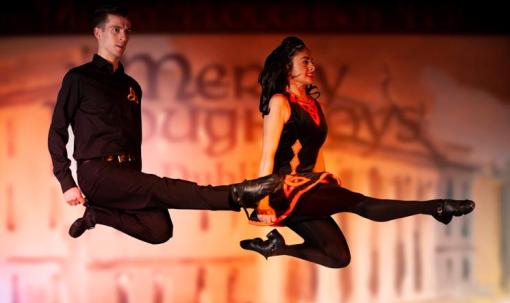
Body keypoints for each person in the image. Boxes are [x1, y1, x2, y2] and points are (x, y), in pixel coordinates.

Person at [47, 4, 281, 243]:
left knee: (159, 230)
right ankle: (237, 195)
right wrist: (67, 182)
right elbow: (57, 131)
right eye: (115, 29)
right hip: (97, 173)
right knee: (160, 188)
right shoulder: (79, 79)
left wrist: (134, 178)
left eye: (127, 30)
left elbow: (132, 137)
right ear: (98, 33)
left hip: (126, 174)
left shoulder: (131, 86)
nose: (123, 36)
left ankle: (97, 215)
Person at [239, 36, 475, 268]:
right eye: (305, 61)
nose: (313, 66)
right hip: (283, 190)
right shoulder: (280, 101)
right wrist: (263, 203)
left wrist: (323, 184)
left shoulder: (314, 105)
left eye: (312, 61)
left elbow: (314, 151)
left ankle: (277, 248)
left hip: (307, 189)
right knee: (362, 204)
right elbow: (267, 154)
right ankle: (437, 207)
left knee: (338, 257)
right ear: (287, 69)